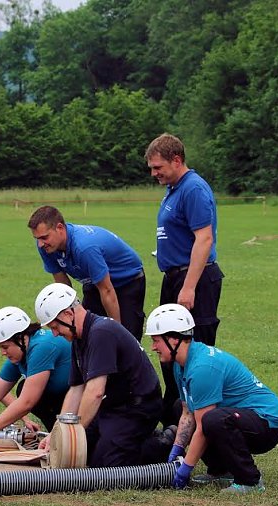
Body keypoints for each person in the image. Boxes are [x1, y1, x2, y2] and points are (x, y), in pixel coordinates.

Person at [145, 304, 278, 493]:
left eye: (156, 341)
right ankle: (221, 470)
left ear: (174, 339)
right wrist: (176, 451)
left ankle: (250, 480)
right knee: (180, 406)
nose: (153, 347)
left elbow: (203, 427)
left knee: (212, 420)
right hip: (242, 417)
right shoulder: (181, 364)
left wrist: (184, 470)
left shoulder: (202, 368)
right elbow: (187, 412)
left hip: (268, 424)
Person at [35, 283, 164, 467]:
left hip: (138, 408)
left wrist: (73, 436)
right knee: (81, 454)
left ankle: (160, 444)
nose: (54, 334)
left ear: (68, 314)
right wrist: (58, 434)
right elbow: (76, 389)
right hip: (113, 406)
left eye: (55, 327)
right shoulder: (78, 339)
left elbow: (95, 391)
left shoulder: (100, 333)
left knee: (105, 465)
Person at [145, 133, 224, 426]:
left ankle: (201, 421)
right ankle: (175, 420)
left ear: (176, 160)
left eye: (158, 167)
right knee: (168, 349)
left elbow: (204, 239)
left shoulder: (193, 189)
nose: (154, 174)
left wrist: (189, 286)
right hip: (175, 277)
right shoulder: (174, 188)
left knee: (192, 352)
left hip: (196, 281)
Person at [0, 306, 71, 452]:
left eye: (5, 347)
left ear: (21, 338)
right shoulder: (20, 354)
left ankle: (61, 437)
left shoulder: (42, 347)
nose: (2, 353)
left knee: (26, 390)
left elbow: (26, 402)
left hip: (80, 401)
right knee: (24, 387)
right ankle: (57, 437)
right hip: (63, 398)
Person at [28, 205, 146, 341]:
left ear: (60, 228)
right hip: (93, 281)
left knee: (126, 338)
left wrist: (116, 333)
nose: (41, 243)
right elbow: (63, 287)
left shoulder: (84, 247)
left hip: (127, 281)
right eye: (37, 238)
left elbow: (107, 290)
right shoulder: (46, 247)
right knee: (86, 332)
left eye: (44, 237)